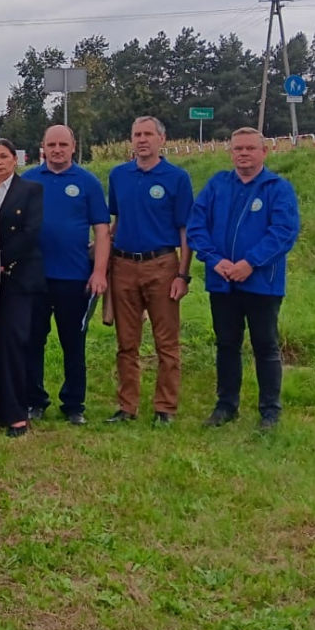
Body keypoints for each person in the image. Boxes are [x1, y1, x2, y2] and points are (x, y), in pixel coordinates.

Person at [188, 127, 300, 429]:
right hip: (223, 281)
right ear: (231, 152)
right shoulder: (217, 186)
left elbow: (284, 231)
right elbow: (196, 227)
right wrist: (216, 260)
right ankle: (226, 405)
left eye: (250, 148)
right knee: (226, 344)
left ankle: (270, 410)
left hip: (262, 283)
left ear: (264, 152)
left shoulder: (277, 188)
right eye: (238, 149)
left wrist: (251, 263)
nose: (244, 154)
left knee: (265, 345)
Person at [106, 116, 194, 425]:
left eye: (148, 134)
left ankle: (164, 407)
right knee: (126, 342)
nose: (142, 140)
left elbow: (185, 230)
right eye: (136, 134)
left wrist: (183, 274)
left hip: (162, 265)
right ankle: (126, 407)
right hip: (124, 266)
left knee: (166, 343)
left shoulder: (177, 178)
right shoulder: (118, 176)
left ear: (161, 138)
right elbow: (115, 223)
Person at [21, 125, 110, 424]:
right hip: (34, 276)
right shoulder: (29, 180)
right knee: (33, 340)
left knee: (73, 342)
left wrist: (99, 271)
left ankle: (74, 404)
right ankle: (34, 400)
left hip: (75, 277)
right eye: (51, 144)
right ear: (42, 147)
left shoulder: (88, 182)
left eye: (63, 144)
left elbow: (101, 229)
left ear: (73, 146)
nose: (57, 149)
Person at [0, 138, 42, 437]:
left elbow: (30, 233)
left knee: (14, 343)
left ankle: (19, 413)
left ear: (13, 160)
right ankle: (2, 410)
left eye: (3, 156)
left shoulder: (30, 190)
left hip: (17, 278)